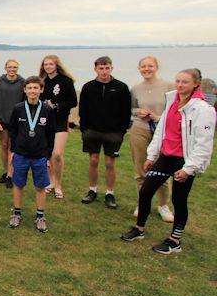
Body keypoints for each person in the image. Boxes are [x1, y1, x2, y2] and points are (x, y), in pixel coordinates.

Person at [121, 69, 216, 254]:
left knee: (179, 199)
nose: (180, 85)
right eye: (178, 81)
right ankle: (139, 229)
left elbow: (203, 143)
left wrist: (189, 169)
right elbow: (161, 131)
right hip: (166, 156)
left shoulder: (204, 110)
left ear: (196, 84)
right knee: (146, 191)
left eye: (185, 82)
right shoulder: (173, 100)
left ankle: (175, 241)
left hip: (185, 160)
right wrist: (151, 156)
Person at [79, 56, 131, 209]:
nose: (104, 71)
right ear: (95, 69)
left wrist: (121, 130)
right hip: (92, 131)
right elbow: (83, 110)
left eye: (107, 68)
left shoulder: (121, 87)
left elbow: (126, 111)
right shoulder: (88, 87)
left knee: (109, 163)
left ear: (111, 68)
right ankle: (92, 190)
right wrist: (85, 130)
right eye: (101, 68)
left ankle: (110, 193)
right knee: (93, 160)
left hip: (113, 132)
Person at [128, 57, 175, 222]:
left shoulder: (169, 87)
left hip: (163, 133)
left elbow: (174, 110)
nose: (146, 69)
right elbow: (132, 109)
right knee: (141, 170)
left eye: (150, 66)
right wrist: (138, 112)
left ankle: (163, 205)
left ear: (156, 67)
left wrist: (158, 117)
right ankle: (142, 203)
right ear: (139, 68)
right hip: (139, 130)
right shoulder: (135, 88)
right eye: (143, 66)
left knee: (162, 169)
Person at [7, 76, 56, 232]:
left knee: (41, 186)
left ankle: (40, 216)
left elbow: (51, 134)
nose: (33, 91)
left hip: (40, 155)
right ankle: (16, 213)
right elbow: (13, 131)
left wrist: (47, 156)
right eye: (30, 88)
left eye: (36, 88)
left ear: (41, 90)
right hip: (21, 154)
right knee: (18, 184)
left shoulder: (47, 109)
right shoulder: (18, 108)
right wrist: (14, 150)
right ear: (25, 90)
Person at [38, 55, 78, 199]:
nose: (48, 66)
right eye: (45, 64)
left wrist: (56, 105)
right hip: (45, 122)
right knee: (48, 154)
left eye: (50, 64)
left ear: (56, 65)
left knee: (57, 155)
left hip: (61, 121)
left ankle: (58, 184)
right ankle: (50, 182)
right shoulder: (42, 82)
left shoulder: (65, 81)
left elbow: (73, 101)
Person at [0, 59, 25, 189]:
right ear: (5, 68)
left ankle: (11, 174)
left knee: (12, 147)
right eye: (10, 67)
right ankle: (6, 171)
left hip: (16, 121)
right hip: (1, 120)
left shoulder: (22, 82)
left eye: (15, 67)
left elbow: (24, 102)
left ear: (18, 68)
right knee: (4, 145)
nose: (12, 69)